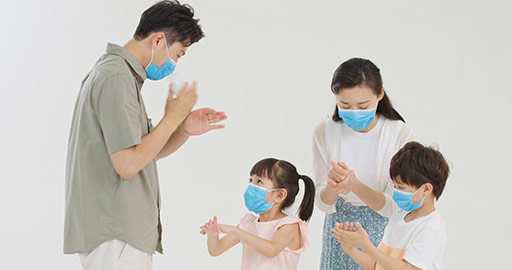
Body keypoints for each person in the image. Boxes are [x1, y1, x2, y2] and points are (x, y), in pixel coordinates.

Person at [64, 1, 227, 269]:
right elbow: (128, 164)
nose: (174, 64)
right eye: (179, 54)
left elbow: (144, 153)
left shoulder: (120, 76)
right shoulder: (115, 77)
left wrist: (183, 128)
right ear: (159, 40)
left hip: (121, 236)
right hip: (115, 234)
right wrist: (172, 116)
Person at [313, 57, 414, 269]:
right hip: (338, 230)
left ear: (380, 94)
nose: (354, 112)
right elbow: (323, 203)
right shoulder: (325, 132)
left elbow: (393, 206)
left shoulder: (397, 133)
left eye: (363, 105)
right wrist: (333, 187)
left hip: (381, 230)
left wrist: (354, 185)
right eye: (345, 105)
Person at [332, 141, 450, 270]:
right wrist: (350, 249)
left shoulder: (431, 226)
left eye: (401, 187)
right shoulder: (398, 218)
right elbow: (378, 264)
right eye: (395, 186)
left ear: (426, 189)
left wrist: (366, 246)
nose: (396, 192)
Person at [200, 158, 315, 270]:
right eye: (251, 181)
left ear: (279, 195)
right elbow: (216, 250)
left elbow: (271, 250)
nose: (251, 186)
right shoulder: (248, 224)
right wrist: (212, 235)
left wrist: (236, 231)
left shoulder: (289, 225)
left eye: (259, 182)